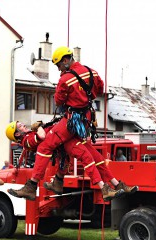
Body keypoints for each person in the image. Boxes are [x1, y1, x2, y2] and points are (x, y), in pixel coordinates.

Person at [7, 46, 108, 200]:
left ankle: (32, 185)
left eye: (59, 65)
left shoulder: (66, 79)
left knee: (46, 146)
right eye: (18, 126)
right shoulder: (91, 71)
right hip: (86, 118)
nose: (59, 69)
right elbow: (100, 89)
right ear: (16, 134)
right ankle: (59, 181)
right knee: (74, 152)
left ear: (66, 61)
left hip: (72, 119)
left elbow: (59, 101)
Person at [6, 121, 137, 201]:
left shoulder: (29, 135)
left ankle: (116, 183)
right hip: (62, 141)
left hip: (63, 138)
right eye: (21, 126)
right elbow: (41, 136)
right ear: (17, 134)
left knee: (98, 159)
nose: (24, 125)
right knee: (87, 158)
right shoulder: (26, 140)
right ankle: (104, 188)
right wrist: (40, 127)